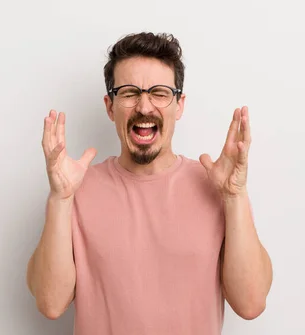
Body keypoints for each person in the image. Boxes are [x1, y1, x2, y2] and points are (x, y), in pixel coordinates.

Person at [26, 32, 273, 335]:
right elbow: (50, 303)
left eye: (159, 92)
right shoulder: (76, 189)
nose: (144, 107)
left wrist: (234, 196)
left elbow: (251, 303)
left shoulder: (219, 187)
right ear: (110, 106)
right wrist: (60, 198)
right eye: (129, 93)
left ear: (179, 105)